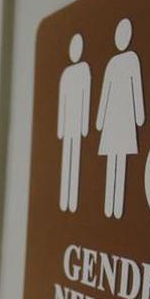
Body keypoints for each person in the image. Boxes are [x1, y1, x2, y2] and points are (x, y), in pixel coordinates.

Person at [95, 17, 146, 219]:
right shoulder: (112, 64)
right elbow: (105, 93)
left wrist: (140, 116)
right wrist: (99, 121)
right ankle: (110, 207)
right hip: (114, 120)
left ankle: (116, 210)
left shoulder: (133, 59)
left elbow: (137, 90)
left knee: (121, 161)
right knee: (112, 161)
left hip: (124, 119)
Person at [57, 33, 92, 212]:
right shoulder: (66, 74)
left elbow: (86, 98)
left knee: (75, 158)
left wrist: (86, 125)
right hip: (69, 126)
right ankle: (66, 201)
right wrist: (61, 130)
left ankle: (72, 202)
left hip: (77, 127)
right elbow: (63, 101)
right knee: (68, 160)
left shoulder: (86, 70)